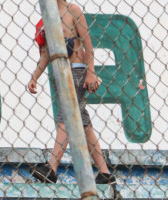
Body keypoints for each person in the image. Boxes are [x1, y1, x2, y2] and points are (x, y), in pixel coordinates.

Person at [27, 0, 115, 186]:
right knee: (82, 122)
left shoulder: (72, 10)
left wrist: (90, 72)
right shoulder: (47, 17)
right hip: (60, 74)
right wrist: (35, 76)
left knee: (66, 115)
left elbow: (88, 44)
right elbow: (46, 53)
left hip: (76, 70)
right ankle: (105, 173)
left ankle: (51, 168)